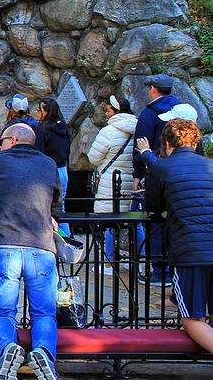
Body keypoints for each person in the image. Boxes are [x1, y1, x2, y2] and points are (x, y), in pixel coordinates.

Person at [0, 123, 62, 380]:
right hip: (40, 243)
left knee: (4, 311)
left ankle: (7, 348)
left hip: (4, 241)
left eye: (3, 139)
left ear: (14, 140)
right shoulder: (48, 164)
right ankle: (43, 353)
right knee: (44, 311)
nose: (0, 144)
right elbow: (56, 201)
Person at [143, 119, 213, 352]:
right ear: (195, 142)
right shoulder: (210, 165)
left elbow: (153, 205)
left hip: (189, 249)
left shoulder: (162, 168)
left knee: (192, 319)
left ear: (166, 143)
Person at [133, 74, 180, 286]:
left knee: (155, 222)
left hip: (155, 173)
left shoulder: (148, 115)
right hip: (178, 175)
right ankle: (173, 268)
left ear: (153, 89)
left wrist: (138, 174)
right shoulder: (180, 112)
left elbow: (140, 145)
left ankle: (159, 269)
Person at [86, 95, 140, 272]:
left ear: (117, 111)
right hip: (131, 181)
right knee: (134, 221)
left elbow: (94, 158)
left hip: (110, 180)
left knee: (109, 221)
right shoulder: (138, 128)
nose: (106, 114)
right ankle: (139, 260)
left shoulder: (109, 132)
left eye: (108, 111)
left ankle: (109, 261)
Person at [36, 97, 70, 234]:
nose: (37, 112)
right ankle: (67, 241)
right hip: (62, 169)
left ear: (46, 112)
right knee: (61, 209)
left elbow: (39, 153)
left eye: (39, 110)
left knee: (48, 209)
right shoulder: (64, 127)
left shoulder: (42, 130)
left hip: (49, 171)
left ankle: (58, 241)